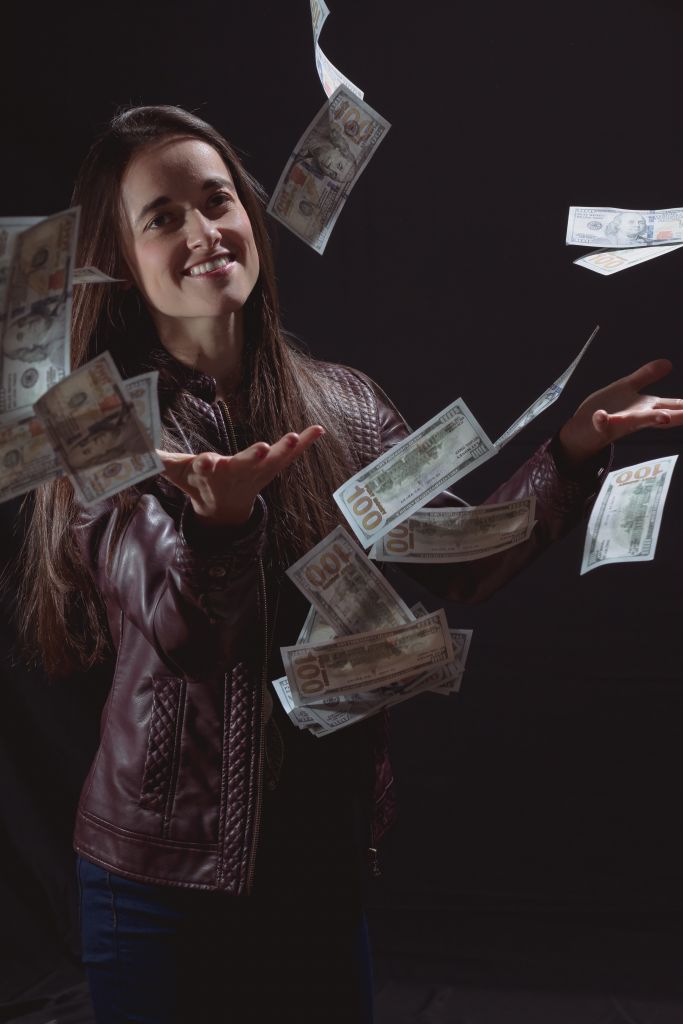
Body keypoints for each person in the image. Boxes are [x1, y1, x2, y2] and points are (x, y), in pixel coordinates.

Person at [14, 105, 683, 1024]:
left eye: (216, 202)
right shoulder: (105, 426)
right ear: (120, 261)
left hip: (317, 877)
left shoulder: (343, 403)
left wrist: (569, 451)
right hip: (161, 890)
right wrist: (217, 526)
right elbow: (176, 637)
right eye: (161, 218)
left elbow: (461, 563)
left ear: (250, 214)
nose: (203, 232)